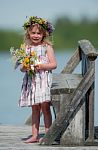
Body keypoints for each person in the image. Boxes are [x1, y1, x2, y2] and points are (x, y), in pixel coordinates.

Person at [19, 16, 57, 143]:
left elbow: (53, 64)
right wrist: (25, 66)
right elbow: (22, 69)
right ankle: (34, 136)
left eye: (39, 33)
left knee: (45, 107)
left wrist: (41, 66)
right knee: (35, 108)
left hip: (43, 80)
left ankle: (48, 134)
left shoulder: (47, 47)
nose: (36, 35)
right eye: (33, 32)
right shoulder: (26, 48)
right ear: (28, 33)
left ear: (44, 34)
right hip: (32, 82)